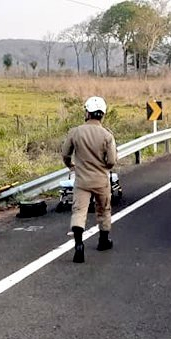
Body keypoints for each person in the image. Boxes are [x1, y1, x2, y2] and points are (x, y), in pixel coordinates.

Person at [61, 96, 117, 264]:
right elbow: (112, 160)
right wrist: (104, 167)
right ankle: (103, 240)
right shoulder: (107, 135)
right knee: (103, 210)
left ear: (87, 112)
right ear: (102, 115)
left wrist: (70, 165)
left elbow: (65, 153)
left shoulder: (75, 132)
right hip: (101, 180)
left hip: (82, 180)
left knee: (79, 212)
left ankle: (79, 244)